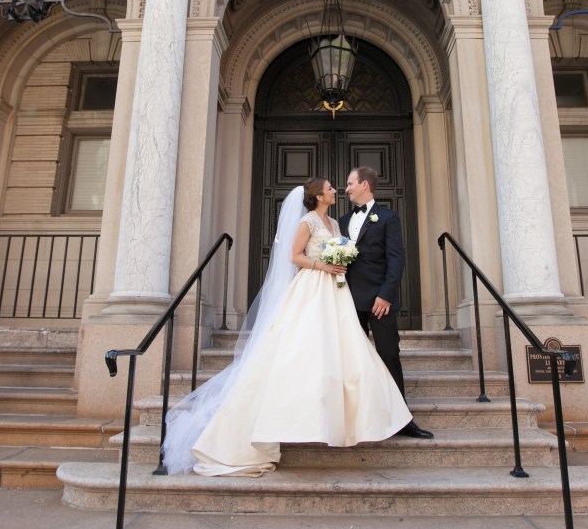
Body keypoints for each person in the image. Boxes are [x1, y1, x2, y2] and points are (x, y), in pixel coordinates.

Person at [161, 178, 413, 476]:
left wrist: (340, 263)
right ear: (318, 196)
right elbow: (294, 256)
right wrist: (323, 266)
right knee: (299, 350)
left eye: (340, 186)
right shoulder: (307, 222)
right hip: (312, 288)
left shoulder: (335, 221)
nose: (336, 191)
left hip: (337, 291)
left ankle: (354, 419)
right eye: (331, 188)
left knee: (345, 351)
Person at [343, 166, 434, 439]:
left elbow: (397, 259)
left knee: (388, 356)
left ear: (365, 185)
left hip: (378, 300)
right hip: (348, 301)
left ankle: (403, 420)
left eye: (350, 183)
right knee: (352, 362)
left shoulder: (388, 217)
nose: (346, 188)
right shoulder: (343, 218)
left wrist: (385, 295)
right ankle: (358, 419)